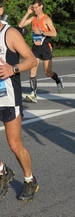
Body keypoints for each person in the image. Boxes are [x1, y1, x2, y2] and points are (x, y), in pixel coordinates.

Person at [0, 21, 39, 201]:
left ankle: (29, 180)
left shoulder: (10, 33)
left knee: (14, 144)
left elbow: (31, 59)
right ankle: (3, 171)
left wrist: (12, 69)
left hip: (8, 98)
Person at [18, 0, 64, 103]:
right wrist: (27, 13)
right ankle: (33, 94)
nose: (34, 9)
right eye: (33, 8)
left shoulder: (46, 19)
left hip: (45, 47)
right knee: (32, 69)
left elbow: (54, 33)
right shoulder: (33, 19)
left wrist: (42, 32)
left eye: (35, 7)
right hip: (36, 48)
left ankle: (58, 80)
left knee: (47, 72)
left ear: (41, 6)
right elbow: (20, 25)